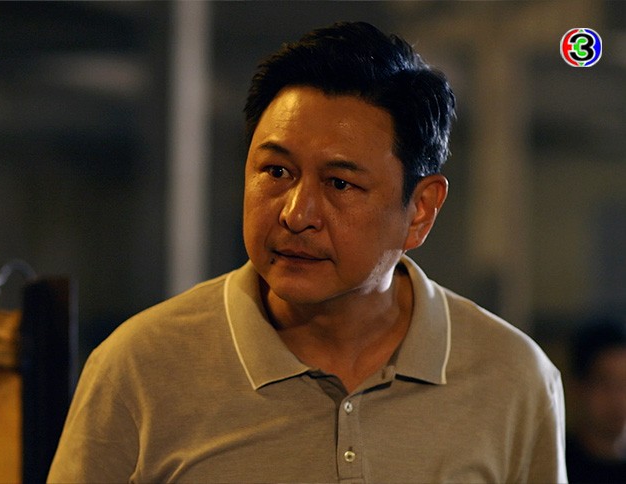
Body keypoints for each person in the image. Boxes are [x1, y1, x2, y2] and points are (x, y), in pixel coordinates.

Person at [48, 21, 567, 483]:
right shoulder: (139, 367)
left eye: (340, 183)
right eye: (277, 172)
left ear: (420, 210)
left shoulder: (513, 378)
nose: (297, 215)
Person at [566, 317, 626, 483]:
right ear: (577, 388)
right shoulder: (554, 464)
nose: (618, 399)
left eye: (624, 384)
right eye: (605, 383)